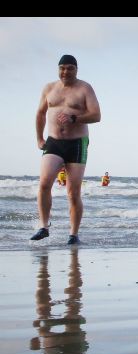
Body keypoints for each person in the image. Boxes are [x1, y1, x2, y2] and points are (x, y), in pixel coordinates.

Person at [31, 55, 102, 245]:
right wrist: (39, 138)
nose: (65, 72)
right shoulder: (49, 88)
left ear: (76, 69)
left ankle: (73, 234)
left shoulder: (84, 88)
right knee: (45, 183)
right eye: (62, 68)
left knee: (73, 192)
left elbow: (96, 115)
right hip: (54, 141)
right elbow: (40, 113)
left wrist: (74, 118)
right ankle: (44, 227)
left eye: (70, 68)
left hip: (77, 143)